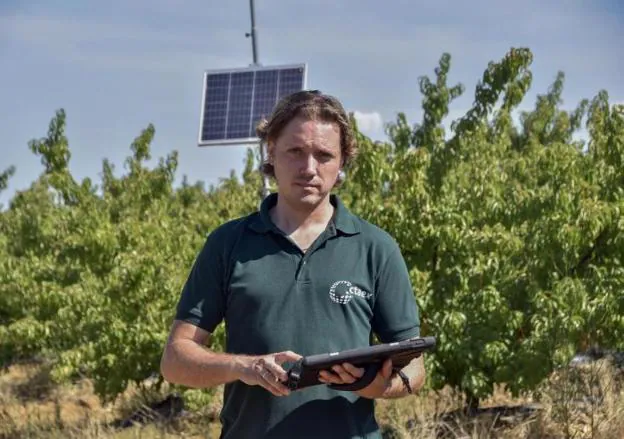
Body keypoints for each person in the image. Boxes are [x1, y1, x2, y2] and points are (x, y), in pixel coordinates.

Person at [160, 90, 426, 438]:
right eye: (296, 151)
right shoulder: (228, 244)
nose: (309, 168)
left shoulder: (376, 248)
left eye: (324, 155)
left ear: (343, 160)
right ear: (271, 150)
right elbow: (176, 360)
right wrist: (246, 367)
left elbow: (415, 368)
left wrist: (369, 385)